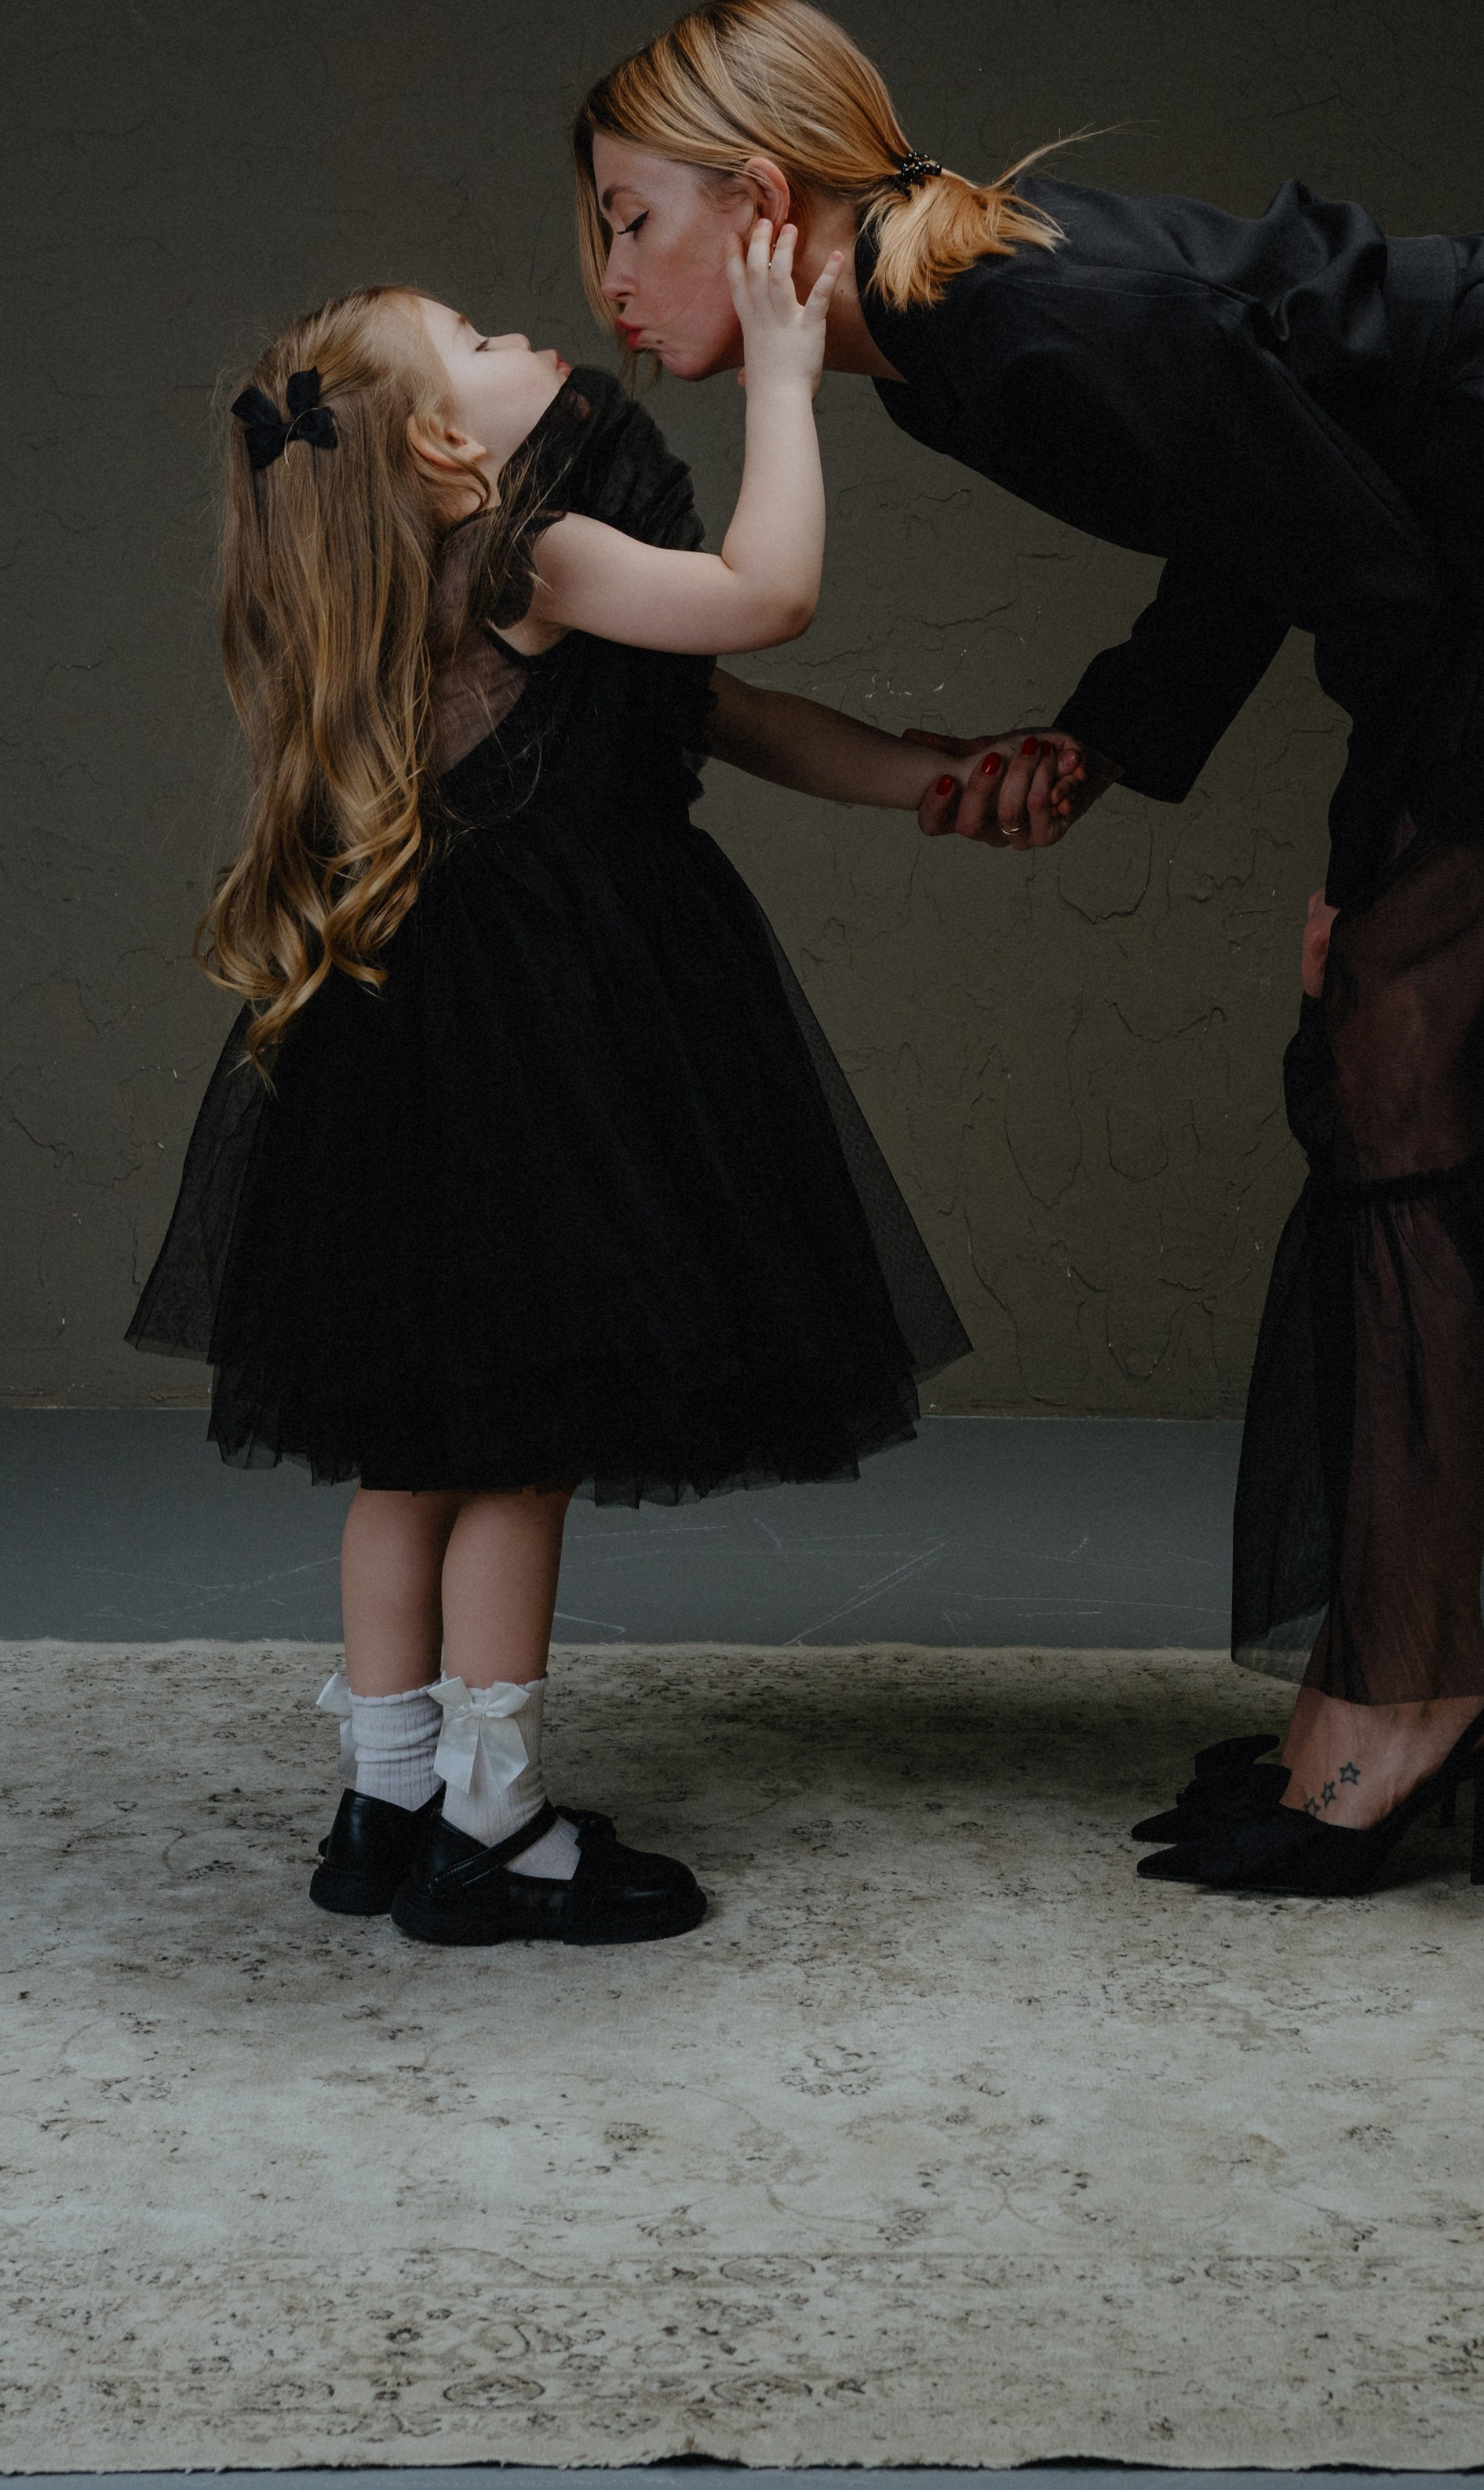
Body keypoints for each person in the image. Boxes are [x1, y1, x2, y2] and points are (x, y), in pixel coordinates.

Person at [570, 0, 1484, 1899]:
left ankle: (1409, 1692)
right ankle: (1402, 1670)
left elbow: (1372, 570)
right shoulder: (945, 337)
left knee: (1392, 1046)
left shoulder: (1004, 326)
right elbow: (1261, 513)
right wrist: (1107, 737)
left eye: (626, 218)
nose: (603, 276)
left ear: (762, 202)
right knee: (1393, 1058)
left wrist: (1361, 865)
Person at [131, 228, 1001, 1945]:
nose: (526, 330)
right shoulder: (537, 554)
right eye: (473, 335)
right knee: (519, 1451)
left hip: (399, 1049)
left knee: (406, 1457)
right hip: (543, 1051)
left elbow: (724, 708)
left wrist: (918, 777)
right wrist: (778, 371)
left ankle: (385, 1798)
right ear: (446, 449)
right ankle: (495, 1824)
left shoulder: (410, 595)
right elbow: (764, 594)